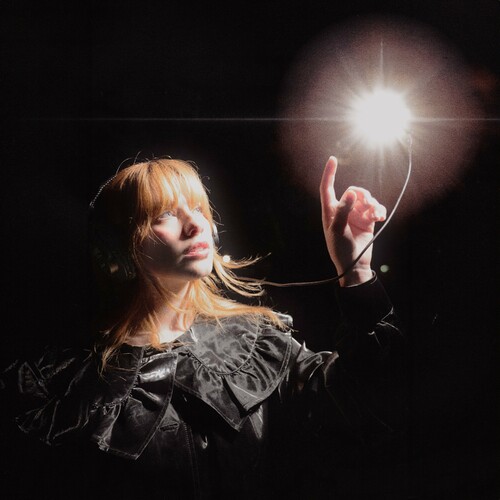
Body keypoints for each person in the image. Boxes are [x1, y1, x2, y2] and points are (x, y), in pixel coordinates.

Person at [1, 155, 405, 499]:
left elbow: (365, 405)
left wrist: (356, 270)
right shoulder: (61, 387)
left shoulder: (257, 345)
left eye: (197, 207)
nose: (194, 225)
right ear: (120, 247)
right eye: (163, 214)